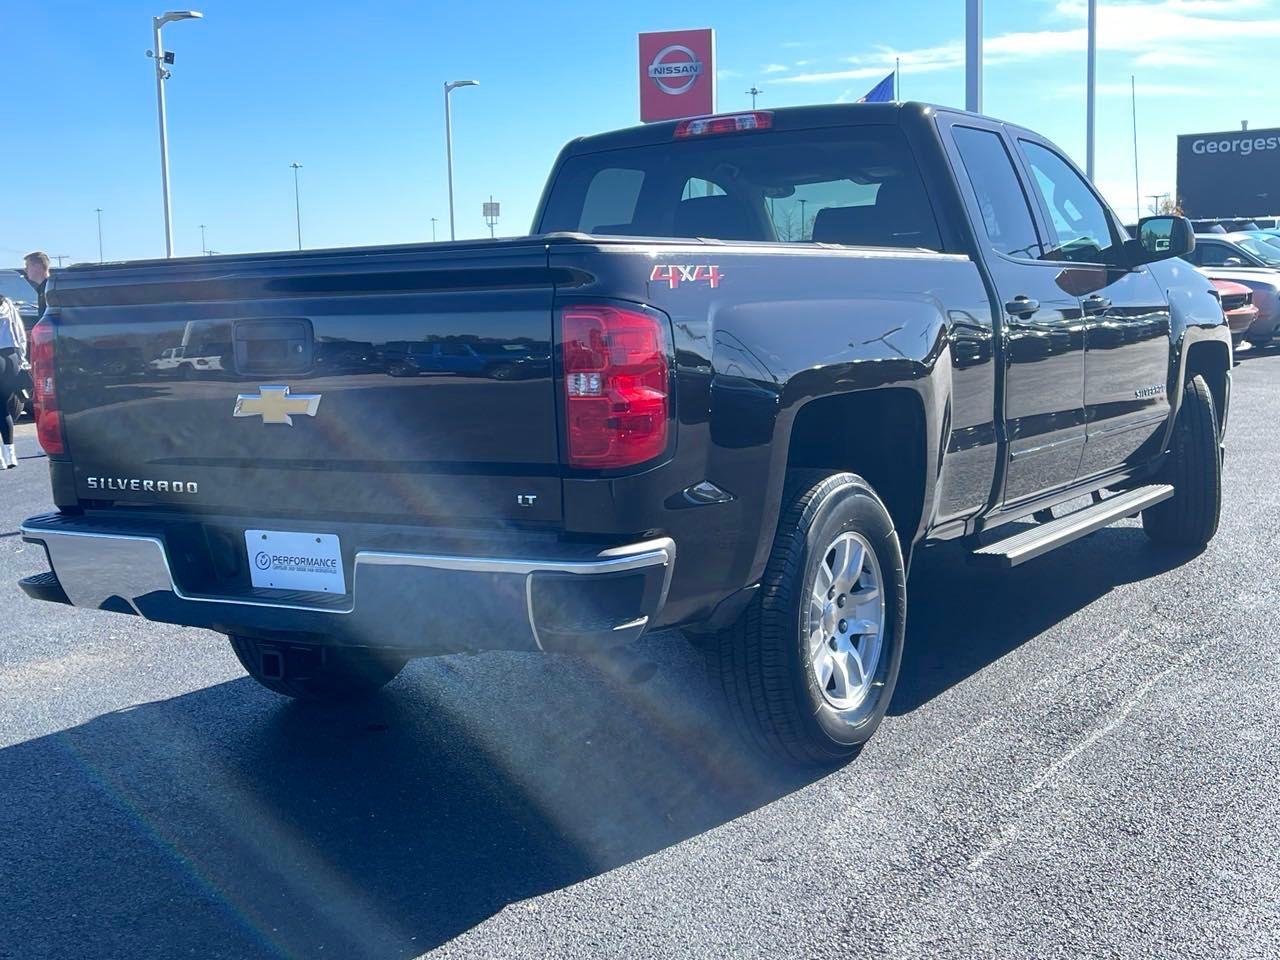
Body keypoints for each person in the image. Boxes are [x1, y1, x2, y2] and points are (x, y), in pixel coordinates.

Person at [0, 293, 28, 468]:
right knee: (4, 408)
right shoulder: (8, 304)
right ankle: (11, 455)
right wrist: (22, 358)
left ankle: (1, 459)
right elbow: (20, 333)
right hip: (11, 359)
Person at [23, 250, 50, 317]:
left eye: (27, 266)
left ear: (37, 267)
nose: (25, 270)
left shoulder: (50, 289)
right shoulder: (43, 289)